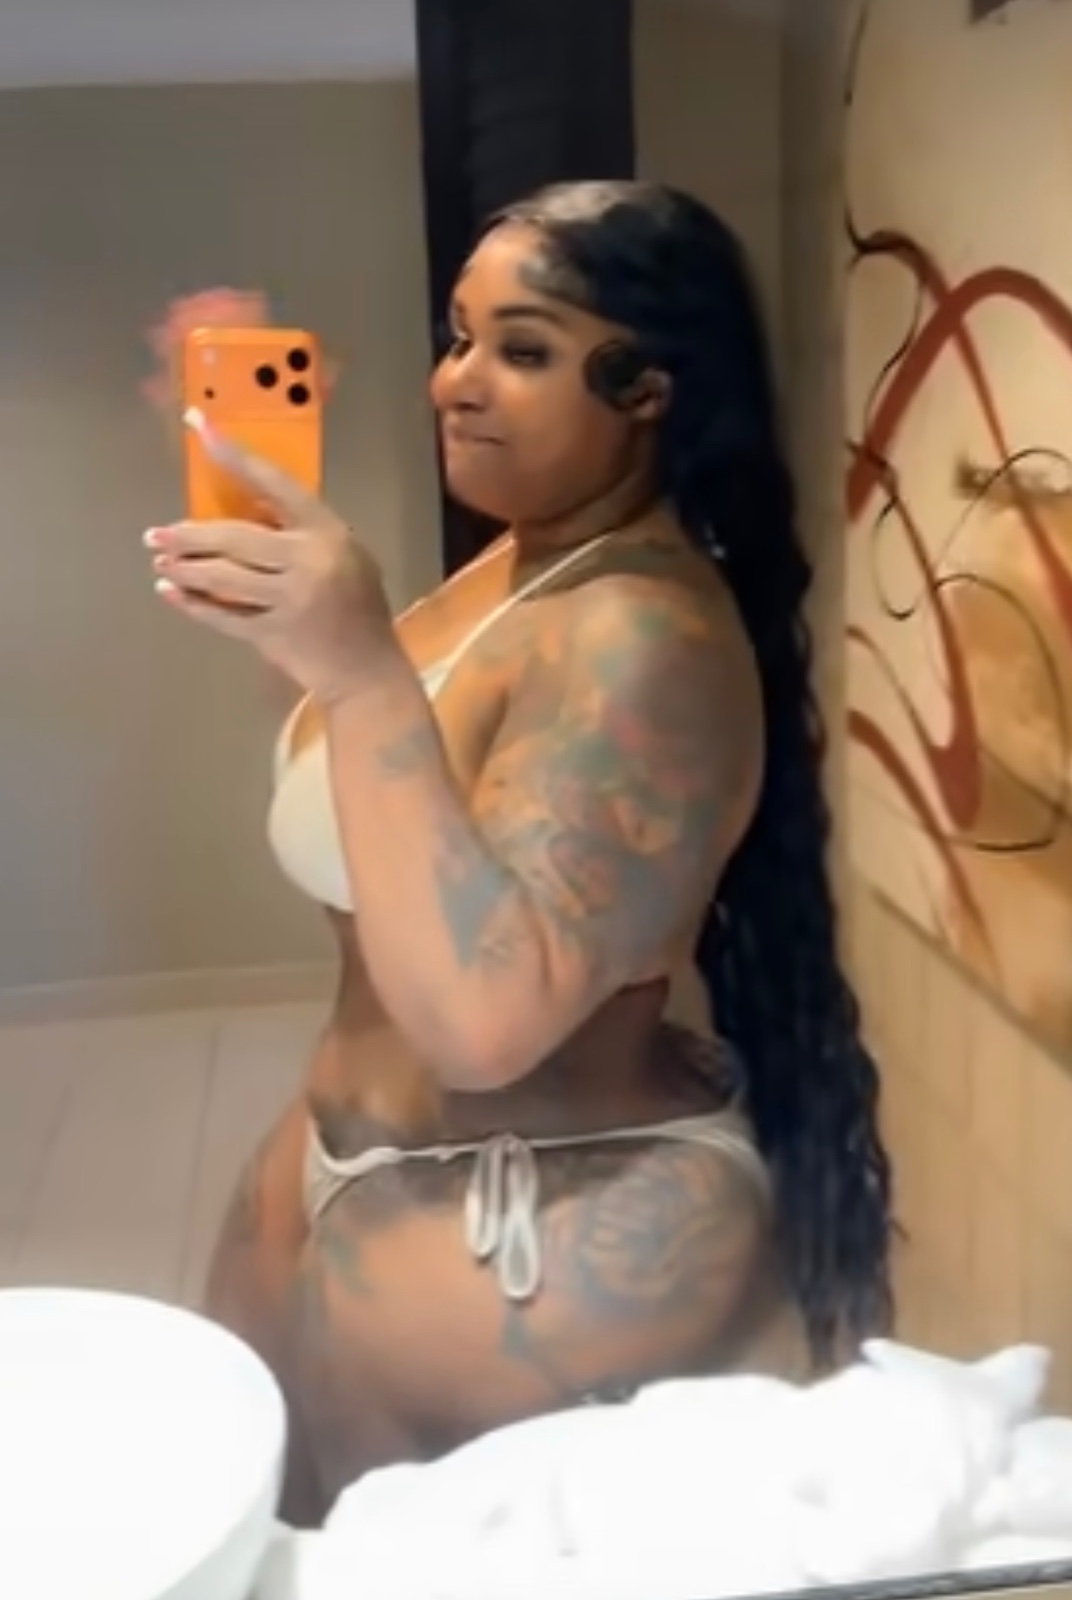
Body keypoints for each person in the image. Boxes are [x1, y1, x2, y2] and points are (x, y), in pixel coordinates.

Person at [144, 180, 893, 1527]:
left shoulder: (640, 632)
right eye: (459, 336)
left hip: (531, 1218)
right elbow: (403, 798)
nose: (456, 383)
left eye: (524, 350)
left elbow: (483, 1025)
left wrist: (360, 670)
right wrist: (303, 625)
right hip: (375, 1167)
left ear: (646, 388)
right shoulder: (521, 569)